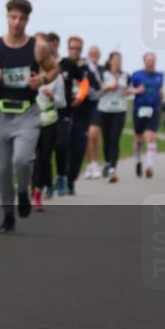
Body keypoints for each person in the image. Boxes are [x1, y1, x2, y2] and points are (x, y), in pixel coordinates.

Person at [0, 0, 58, 234]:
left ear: (27, 20)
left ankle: (23, 190)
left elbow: (54, 69)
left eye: (22, 18)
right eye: (13, 17)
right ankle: (8, 215)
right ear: (7, 17)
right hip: (1, 112)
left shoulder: (37, 47)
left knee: (21, 160)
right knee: (0, 169)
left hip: (27, 113)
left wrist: (42, 79)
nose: (17, 22)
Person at [31, 32, 66, 211]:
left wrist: (53, 97)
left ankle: (37, 193)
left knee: (43, 158)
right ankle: (29, 190)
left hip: (49, 120)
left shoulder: (56, 75)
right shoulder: (28, 70)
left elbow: (62, 102)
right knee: (30, 158)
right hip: (29, 120)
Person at [60, 36, 90, 195]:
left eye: (77, 48)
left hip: (82, 114)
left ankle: (71, 179)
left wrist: (81, 96)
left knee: (78, 149)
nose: (74, 51)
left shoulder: (88, 69)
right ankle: (62, 178)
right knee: (63, 146)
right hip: (65, 111)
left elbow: (95, 89)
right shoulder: (61, 65)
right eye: (72, 48)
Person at [97, 51, 133, 183]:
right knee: (106, 139)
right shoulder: (103, 74)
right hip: (105, 109)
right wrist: (108, 87)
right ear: (110, 61)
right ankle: (107, 162)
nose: (118, 61)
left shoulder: (125, 76)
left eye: (120, 59)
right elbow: (97, 90)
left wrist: (131, 91)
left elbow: (129, 90)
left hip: (120, 110)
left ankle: (113, 169)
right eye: (115, 59)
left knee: (115, 138)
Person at [130, 52, 165, 179]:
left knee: (151, 136)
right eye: (148, 60)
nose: (151, 63)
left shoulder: (160, 76)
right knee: (138, 138)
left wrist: (161, 97)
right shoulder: (136, 75)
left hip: (154, 109)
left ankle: (149, 166)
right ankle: (139, 160)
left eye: (153, 60)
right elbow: (127, 89)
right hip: (139, 109)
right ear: (144, 61)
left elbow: (161, 89)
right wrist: (136, 90)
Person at [83, 45, 105, 179]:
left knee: (94, 133)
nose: (92, 55)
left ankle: (96, 162)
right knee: (85, 136)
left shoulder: (103, 70)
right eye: (90, 53)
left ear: (99, 55)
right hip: (84, 104)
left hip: (99, 104)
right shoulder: (84, 68)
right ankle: (89, 164)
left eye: (95, 53)